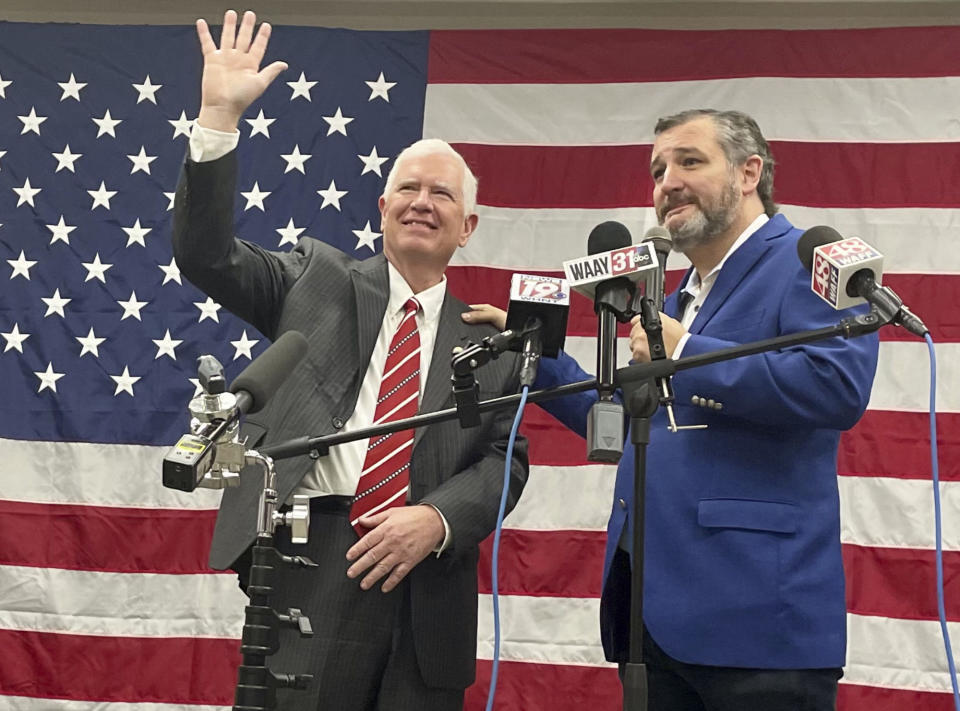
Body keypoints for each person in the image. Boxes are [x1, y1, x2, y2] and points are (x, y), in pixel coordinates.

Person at [172, 11, 528, 710]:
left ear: (469, 226)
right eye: (408, 189)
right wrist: (217, 119)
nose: (422, 202)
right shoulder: (316, 277)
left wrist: (438, 518)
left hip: (428, 586)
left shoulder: (493, 343)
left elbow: (504, 461)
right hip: (311, 558)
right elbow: (205, 255)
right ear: (382, 205)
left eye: (442, 194)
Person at [464, 109, 879, 710]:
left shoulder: (806, 259)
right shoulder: (677, 291)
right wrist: (541, 352)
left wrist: (684, 352)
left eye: (689, 161)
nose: (667, 183)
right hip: (655, 617)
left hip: (759, 622)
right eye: (659, 170)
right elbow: (632, 421)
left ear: (748, 173)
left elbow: (836, 386)